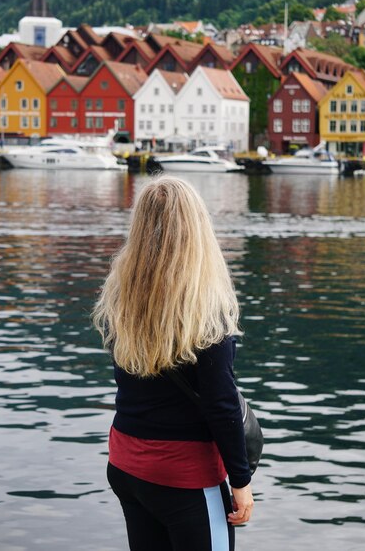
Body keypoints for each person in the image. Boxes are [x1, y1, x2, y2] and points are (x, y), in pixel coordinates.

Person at [93, 176, 254, 551]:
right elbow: (221, 403)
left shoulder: (121, 297)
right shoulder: (205, 310)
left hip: (126, 464)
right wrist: (241, 482)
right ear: (197, 230)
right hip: (185, 476)